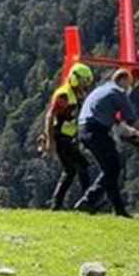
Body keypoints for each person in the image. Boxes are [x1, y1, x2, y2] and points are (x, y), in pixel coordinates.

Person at [74, 68, 139, 217]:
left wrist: (133, 133)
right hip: (96, 131)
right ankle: (88, 200)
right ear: (122, 79)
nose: (129, 88)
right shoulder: (118, 93)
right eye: (129, 83)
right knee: (112, 168)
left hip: (84, 130)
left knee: (110, 169)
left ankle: (118, 209)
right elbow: (132, 120)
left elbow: (118, 123)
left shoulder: (102, 90)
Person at [40, 63, 95, 210]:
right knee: (82, 166)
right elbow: (50, 117)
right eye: (84, 82)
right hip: (60, 137)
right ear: (75, 79)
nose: (85, 86)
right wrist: (50, 140)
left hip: (69, 137)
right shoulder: (64, 95)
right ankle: (88, 202)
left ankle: (56, 205)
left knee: (70, 171)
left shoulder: (76, 94)